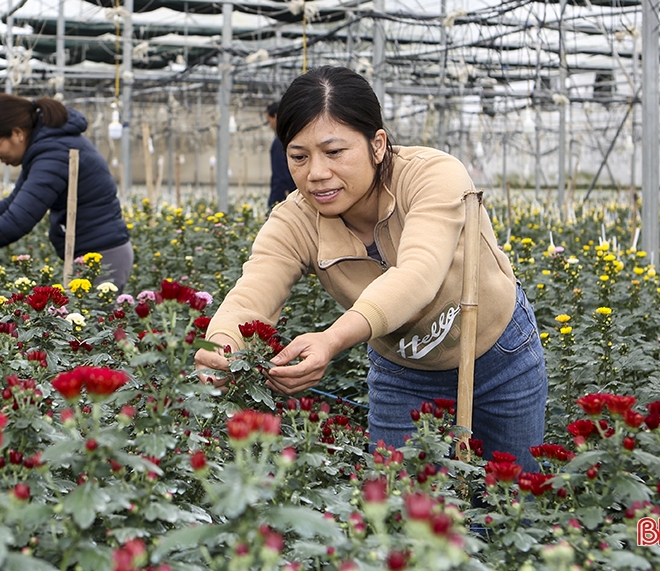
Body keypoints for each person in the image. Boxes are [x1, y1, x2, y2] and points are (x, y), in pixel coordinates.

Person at [195, 67, 546, 470]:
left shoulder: (432, 175)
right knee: (398, 509)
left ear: (377, 144)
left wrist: (332, 339)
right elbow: (253, 292)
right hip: (403, 372)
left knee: (512, 502)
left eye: (335, 151)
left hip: (498, 355)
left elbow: (418, 274)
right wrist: (221, 347)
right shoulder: (294, 221)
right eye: (299, 156)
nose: (316, 173)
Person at [0, 94, 134, 290]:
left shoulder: (54, 154)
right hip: (93, 253)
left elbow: (16, 221)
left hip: (103, 258)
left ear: (17, 133)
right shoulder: (46, 148)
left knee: (92, 324)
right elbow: (14, 203)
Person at [266, 100, 296, 211]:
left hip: (285, 198)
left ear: (276, 116)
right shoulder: (294, 137)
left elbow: (280, 176)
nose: (270, 126)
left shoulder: (279, 142)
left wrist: (274, 203)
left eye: (270, 121)